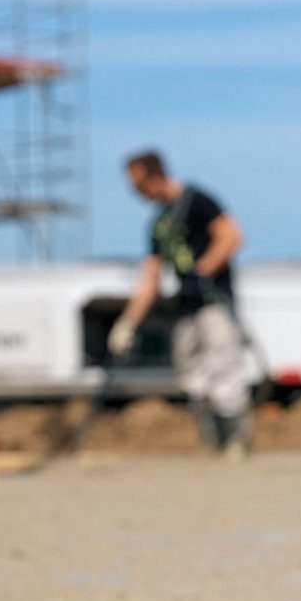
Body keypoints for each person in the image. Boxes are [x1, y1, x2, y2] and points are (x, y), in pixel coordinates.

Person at [111, 151, 254, 456]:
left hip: (214, 300)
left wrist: (202, 270)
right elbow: (150, 276)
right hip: (185, 305)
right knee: (190, 368)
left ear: (155, 175)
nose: (136, 193)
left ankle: (235, 438)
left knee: (224, 363)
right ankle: (212, 436)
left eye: (137, 185)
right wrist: (127, 323)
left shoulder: (197, 201)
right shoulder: (159, 223)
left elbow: (230, 236)